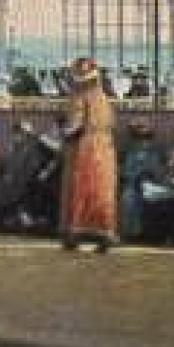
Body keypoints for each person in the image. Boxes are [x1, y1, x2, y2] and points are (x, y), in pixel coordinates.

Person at [59, 56, 119, 252]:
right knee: (103, 191)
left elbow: (74, 125)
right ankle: (105, 234)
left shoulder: (79, 96)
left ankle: (74, 233)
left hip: (85, 147)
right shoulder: (103, 97)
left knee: (80, 189)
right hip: (106, 149)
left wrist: (63, 131)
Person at [117, 118, 165, 242]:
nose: (142, 141)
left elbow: (158, 171)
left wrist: (148, 178)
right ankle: (131, 233)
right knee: (128, 197)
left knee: (146, 195)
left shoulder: (156, 150)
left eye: (144, 136)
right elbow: (125, 170)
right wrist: (133, 177)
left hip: (152, 184)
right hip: (133, 184)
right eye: (138, 135)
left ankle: (143, 233)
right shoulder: (130, 150)